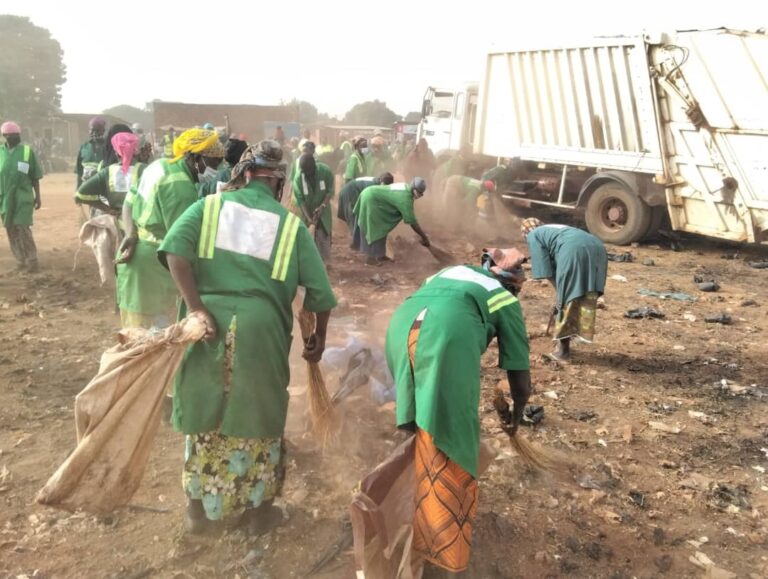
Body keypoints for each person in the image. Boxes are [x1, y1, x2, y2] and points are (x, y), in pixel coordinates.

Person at [158, 140, 336, 535]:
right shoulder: (290, 225)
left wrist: (197, 308)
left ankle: (200, 512)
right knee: (258, 414)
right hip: (261, 331)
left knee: (206, 414)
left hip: (206, 328)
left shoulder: (207, 208)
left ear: (244, 174)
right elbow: (320, 295)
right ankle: (257, 514)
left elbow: (174, 253)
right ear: (278, 183)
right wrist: (317, 339)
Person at [385, 251, 531, 575]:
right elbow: (519, 377)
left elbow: (429, 307)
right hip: (446, 337)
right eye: (518, 288)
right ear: (511, 284)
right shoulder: (503, 297)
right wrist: (517, 414)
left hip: (400, 327)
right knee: (452, 439)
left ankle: (414, 508)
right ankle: (443, 553)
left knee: (426, 426)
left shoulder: (449, 274)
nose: (518, 294)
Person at [115, 128, 224, 328]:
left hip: (135, 261)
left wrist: (130, 233)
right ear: (195, 157)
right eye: (213, 164)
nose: (216, 170)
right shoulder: (181, 188)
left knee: (135, 335)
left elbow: (128, 203)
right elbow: (180, 246)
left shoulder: (158, 166)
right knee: (158, 339)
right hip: (155, 269)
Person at [521, 217, 608, 362]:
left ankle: (563, 352)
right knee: (587, 292)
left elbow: (544, 270)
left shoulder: (533, 234)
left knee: (566, 301)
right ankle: (579, 334)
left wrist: (560, 295)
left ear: (525, 233)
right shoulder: (555, 228)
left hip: (574, 249)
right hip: (598, 246)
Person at [352, 178, 430, 266]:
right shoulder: (405, 198)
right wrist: (424, 238)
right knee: (375, 228)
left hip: (371, 194)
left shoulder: (405, 187)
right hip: (371, 199)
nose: (419, 196)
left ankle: (380, 255)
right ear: (414, 189)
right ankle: (371, 258)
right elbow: (412, 222)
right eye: (419, 193)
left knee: (382, 228)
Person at [0, 121, 43, 272]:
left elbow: (35, 176)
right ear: (5, 136)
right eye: (12, 135)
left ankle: (32, 260)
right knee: (10, 228)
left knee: (23, 226)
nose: (15, 137)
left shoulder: (26, 151)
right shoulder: (0, 152)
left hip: (23, 195)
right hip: (5, 197)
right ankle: (20, 260)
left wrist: (38, 196)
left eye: (17, 135)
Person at [75, 131, 145, 219]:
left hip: (117, 225)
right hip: (141, 224)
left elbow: (80, 194)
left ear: (116, 152)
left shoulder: (107, 171)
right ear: (136, 151)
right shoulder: (146, 170)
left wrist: (106, 209)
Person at [291, 151, 335, 262]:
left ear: (314, 167)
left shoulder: (325, 171)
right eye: (304, 172)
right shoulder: (298, 178)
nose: (306, 174)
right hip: (307, 209)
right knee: (307, 237)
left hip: (323, 209)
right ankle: (309, 262)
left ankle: (325, 261)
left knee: (323, 234)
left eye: (309, 172)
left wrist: (323, 206)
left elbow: (330, 190)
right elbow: (300, 200)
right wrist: (309, 219)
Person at [336, 172, 394, 241]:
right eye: (384, 186)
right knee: (355, 215)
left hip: (353, 191)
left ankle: (358, 239)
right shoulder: (373, 186)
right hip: (350, 191)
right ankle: (356, 242)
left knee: (359, 215)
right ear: (381, 181)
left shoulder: (376, 183)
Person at [75, 117, 107, 188]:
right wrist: (77, 189)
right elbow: (79, 172)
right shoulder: (84, 147)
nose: (94, 133)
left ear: (103, 131)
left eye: (98, 130)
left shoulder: (109, 148)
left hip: (102, 191)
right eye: (92, 130)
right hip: (85, 189)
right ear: (89, 131)